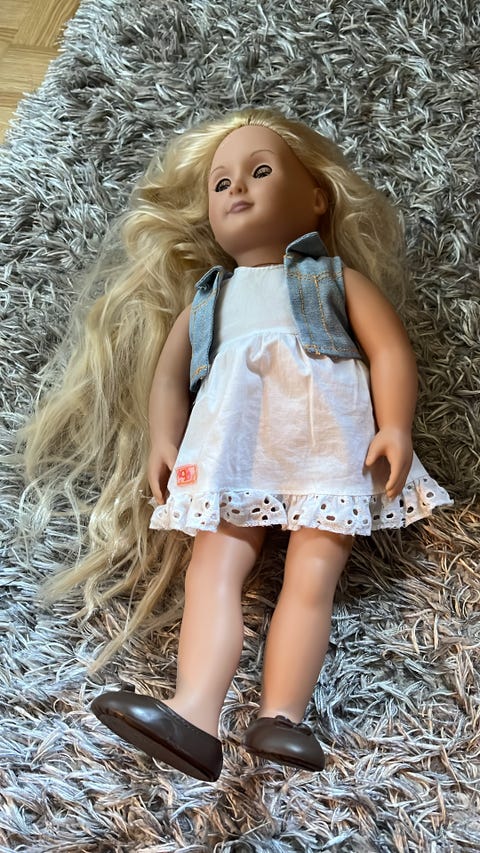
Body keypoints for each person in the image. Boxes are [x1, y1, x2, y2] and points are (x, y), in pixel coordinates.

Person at [22, 108, 452, 783]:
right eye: (220, 184)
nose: (237, 189)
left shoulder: (332, 278)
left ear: (317, 198)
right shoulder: (210, 297)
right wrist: (164, 439)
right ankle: (193, 714)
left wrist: (394, 424)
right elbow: (169, 377)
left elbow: (390, 350)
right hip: (233, 449)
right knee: (211, 569)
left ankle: (281, 716)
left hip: (325, 442)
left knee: (312, 575)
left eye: (260, 171)